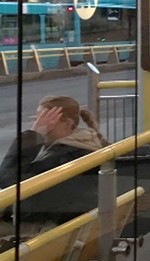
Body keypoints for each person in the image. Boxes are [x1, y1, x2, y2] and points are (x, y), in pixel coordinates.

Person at [0, 96, 109, 240]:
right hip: (63, 227)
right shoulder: (84, 148)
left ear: (68, 123)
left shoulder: (64, 157)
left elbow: (8, 178)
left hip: (44, 228)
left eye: (44, 120)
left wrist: (34, 134)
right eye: (37, 120)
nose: (38, 124)